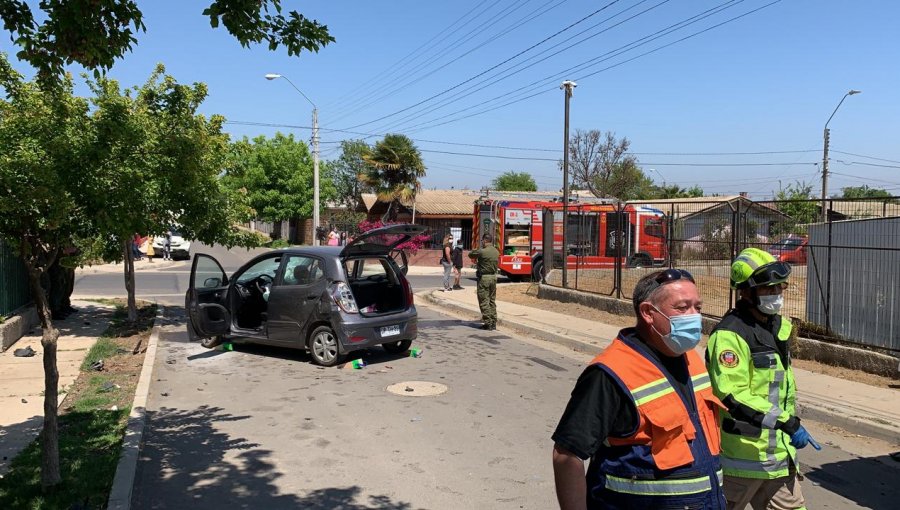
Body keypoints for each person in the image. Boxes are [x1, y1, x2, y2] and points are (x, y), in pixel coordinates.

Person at [553, 269, 726, 510]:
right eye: (682, 307)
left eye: (697, 307)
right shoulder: (610, 372)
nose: (694, 316)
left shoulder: (691, 359)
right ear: (648, 313)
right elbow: (567, 454)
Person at [706, 248, 819, 510]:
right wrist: (787, 423)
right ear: (746, 292)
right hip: (741, 461)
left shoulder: (777, 328)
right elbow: (732, 395)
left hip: (779, 460)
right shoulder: (730, 336)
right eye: (768, 290)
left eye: (779, 288)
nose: (777, 295)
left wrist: (787, 427)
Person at [468, 233, 499, 330]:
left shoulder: (482, 251)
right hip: (493, 278)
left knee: (484, 301)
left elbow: (470, 255)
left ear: (485, 240)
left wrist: (476, 247)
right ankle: (493, 322)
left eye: (482, 241)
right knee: (491, 300)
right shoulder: (495, 251)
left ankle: (487, 323)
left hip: (484, 278)